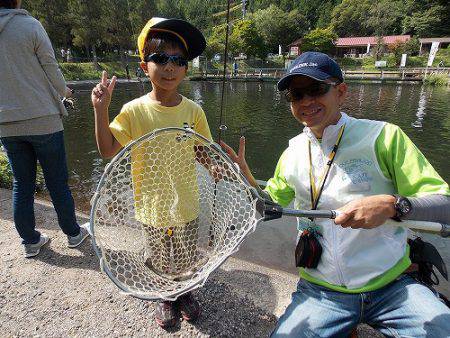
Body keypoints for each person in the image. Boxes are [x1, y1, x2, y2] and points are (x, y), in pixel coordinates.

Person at [221, 51, 450, 337]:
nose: (306, 101)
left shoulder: (384, 137)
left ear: (341, 92)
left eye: (316, 89)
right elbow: (270, 206)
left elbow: (445, 206)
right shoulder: (292, 152)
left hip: (393, 285)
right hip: (322, 290)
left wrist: (394, 205)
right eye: (296, 95)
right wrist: (246, 181)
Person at [91, 17, 211, 329]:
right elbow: (107, 149)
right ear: (145, 66)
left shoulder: (194, 112)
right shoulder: (134, 111)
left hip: (186, 202)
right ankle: (165, 297)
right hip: (151, 205)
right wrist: (100, 110)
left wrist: (219, 164)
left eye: (178, 60)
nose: (169, 67)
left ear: (186, 69)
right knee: (159, 257)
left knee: (185, 256)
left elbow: (203, 152)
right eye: (160, 58)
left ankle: (183, 292)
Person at [0, 0, 89, 258]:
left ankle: (30, 241)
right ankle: (73, 234)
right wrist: (65, 92)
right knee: (57, 181)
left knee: (22, 183)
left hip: (6, 123)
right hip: (43, 118)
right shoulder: (30, 26)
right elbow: (50, 66)